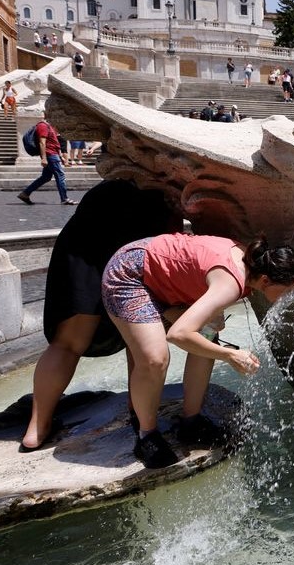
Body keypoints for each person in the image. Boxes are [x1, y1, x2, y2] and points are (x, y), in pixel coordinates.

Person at [103, 233, 294, 468]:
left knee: (209, 333)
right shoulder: (232, 283)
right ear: (265, 281)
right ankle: (146, 436)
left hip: (160, 278)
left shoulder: (253, 262)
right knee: (155, 358)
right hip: (129, 274)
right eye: (288, 289)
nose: (291, 296)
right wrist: (231, 355)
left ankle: (191, 422)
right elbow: (179, 334)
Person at [19, 180, 181, 451]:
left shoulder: (119, 173)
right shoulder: (164, 185)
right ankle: (139, 413)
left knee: (68, 343)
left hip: (90, 227)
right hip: (143, 233)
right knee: (141, 337)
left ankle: (37, 427)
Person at [17, 109, 77, 206]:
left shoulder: (49, 127)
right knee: (60, 175)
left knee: (46, 177)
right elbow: (42, 143)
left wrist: (60, 155)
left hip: (53, 154)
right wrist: (44, 158)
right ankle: (64, 199)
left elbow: (53, 143)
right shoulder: (43, 126)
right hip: (50, 155)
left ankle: (25, 193)